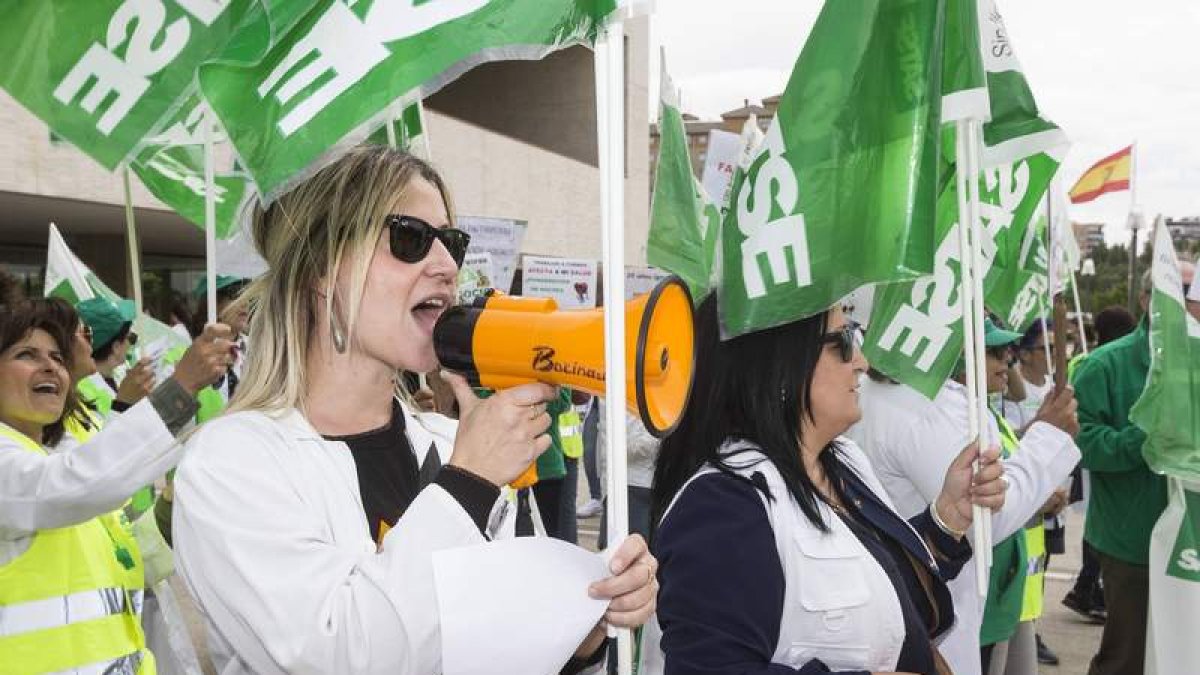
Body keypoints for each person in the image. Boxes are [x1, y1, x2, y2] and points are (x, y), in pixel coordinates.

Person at [172, 146, 656, 674]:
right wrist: (468, 484)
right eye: (410, 238)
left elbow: (502, 645)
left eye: (451, 241)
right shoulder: (231, 461)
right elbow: (335, 656)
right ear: (323, 269)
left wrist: (583, 627)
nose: (448, 266)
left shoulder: (450, 443)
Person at [646, 297, 1007, 674]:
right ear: (780, 366)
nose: (862, 363)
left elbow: (877, 586)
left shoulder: (842, 461)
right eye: (843, 341)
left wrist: (947, 516)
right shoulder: (723, 505)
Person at [0, 296, 231, 674]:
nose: (50, 367)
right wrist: (182, 386)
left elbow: (117, 551)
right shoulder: (26, 468)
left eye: (58, 357)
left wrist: (172, 509)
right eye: (27, 354)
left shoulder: (56, 452)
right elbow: (74, 485)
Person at [850, 318, 1080, 675]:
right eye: (991, 351)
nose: (1005, 360)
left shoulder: (917, 399)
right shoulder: (920, 407)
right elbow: (985, 521)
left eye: (1006, 351)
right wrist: (1047, 438)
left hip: (949, 603)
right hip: (934, 612)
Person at [1075, 263, 1193, 675]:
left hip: (1189, 536)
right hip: (1132, 543)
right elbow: (1081, 444)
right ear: (1145, 300)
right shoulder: (1104, 366)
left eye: (1189, 291)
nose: (1185, 300)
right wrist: (1144, 441)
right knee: (1128, 656)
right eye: (1175, 289)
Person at [1061, 305, 1137, 623]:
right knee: (1098, 526)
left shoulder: (1088, 360)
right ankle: (1087, 587)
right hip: (1093, 468)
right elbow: (1084, 432)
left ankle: (1087, 587)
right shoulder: (1099, 364)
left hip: (1089, 469)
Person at [76, 296, 155, 419]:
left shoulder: (118, 374)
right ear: (116, 347)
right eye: (131, 338)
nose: (132, 344)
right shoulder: (84, 394)